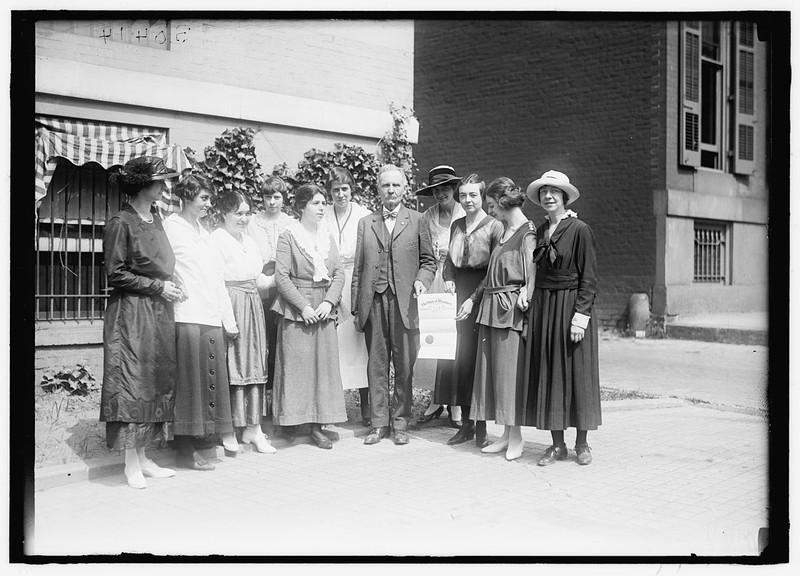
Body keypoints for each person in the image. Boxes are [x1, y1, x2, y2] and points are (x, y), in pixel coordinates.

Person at [99, 155, 183, 489]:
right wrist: (158, 286)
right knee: (132, 382)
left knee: (153, 379)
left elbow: (162, 263)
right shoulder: (121, 222)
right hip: (131, 314)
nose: (164, 187)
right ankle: (129, 463)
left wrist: (174, 283)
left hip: (158, 312)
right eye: (160, 182)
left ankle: (144, 457)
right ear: (142, 186)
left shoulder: (156, 218)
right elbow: (116, 273)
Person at [351, 164, 437, 445]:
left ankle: (400, 423)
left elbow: (428, 261)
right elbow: (359, 268)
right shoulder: (366, 223)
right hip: (374, 302)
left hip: (405, 304)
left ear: (404, 189)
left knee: (404, 365)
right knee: (376, 366)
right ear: (379, 189)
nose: (390, 190)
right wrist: (356, 308)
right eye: (385, 185)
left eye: (395, 185)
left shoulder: (418, 220)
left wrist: (422, 280)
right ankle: (377, 424)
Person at [522, 170, 601, 466]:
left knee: (577, 373)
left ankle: (582, 444)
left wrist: (580, 317)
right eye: (544, 192)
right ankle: (557, 445)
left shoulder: (580, 229)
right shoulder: (541, 231)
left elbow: (589, 279)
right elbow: (537, 275)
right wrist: (532, 315)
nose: (548, 196)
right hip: (545, 307)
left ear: (564, 197)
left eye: (554, 192)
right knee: (550, 372)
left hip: (571, 308)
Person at [163, 174, 239, 472]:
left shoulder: (205, 232)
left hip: (210, 316)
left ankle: (202, 438)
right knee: (188, 383)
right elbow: (160, 266)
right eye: (204, 198)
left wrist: (227, 319)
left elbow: (216, 278)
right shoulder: (171, 228)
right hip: (186, 315)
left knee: (208, 380)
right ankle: (184, 447)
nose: (208, 203)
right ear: (187, 197)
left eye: (209, 198)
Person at [271, 184, 348, 449]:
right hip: (297, 307)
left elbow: (338, 272)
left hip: (324, 307)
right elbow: (281, 276)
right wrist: (303, 306)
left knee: (321, 367)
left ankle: (317, 425)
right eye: (316, 203)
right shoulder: (288, 235)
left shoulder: (326, 235)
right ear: (301, 207)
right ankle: (290, 422)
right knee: (295, 364)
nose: (322, 207)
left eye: (323, 203)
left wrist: (329, 301)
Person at [470, 177, 536, 461]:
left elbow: (532, 274)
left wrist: (527, 291)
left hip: (510, 311)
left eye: (492, 205)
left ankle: (517, 435)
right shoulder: (503, 231)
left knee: (510, 375)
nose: (490, 210)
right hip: (491, 306)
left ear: (502, 201)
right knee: (494, 374)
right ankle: (506, 434)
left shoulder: (527, 232)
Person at [208, 191, 276, 454]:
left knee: (255, 363)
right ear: (224, 213)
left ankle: (253, 428)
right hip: (232, 305)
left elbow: (257, 279)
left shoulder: (249, 241)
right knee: (232, 366)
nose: (244, 218)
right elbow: (216, 282)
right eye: (238, 213)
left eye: (247, 213)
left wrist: (280, 276)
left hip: (253, 306)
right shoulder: (217, 239)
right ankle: (227, 430)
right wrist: (229, 319)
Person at [441, 174, 504, 448]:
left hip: (482, 296)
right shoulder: (456, 225)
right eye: (463, 195)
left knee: (479, 362)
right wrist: (448, 279)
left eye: (473, 196)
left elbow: (494, 269)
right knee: (461, 361)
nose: (467, 200)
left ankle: (481, 428)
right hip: (458, 296)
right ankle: (465, 423)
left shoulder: (495, 227)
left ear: (482, 197)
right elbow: (448, 262)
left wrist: (473, 300)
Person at [415, 165, 466, 429]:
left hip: (455, 282)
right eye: (436, 189)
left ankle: (455, 403)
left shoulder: (465, 214)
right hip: (433, 281)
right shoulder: (426, 217)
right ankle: (437, 399)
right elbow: (424, 254)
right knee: (435, 340)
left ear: (454, 188)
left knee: (455, 342)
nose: (441, 193)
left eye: (446, 187)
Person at [322, 167, 373, 427]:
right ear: (329, 192)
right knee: (333, 346)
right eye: (335, 190)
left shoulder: (364, 215)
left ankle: (366, 406)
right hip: (330, 281)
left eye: (345, 189)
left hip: (357, 280)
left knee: (359, 342)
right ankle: (334, 408)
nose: (340, 195)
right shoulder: (323, 214)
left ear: (352, 190)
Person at [247, 176, 295, 393]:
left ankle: (279, 387)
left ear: (283, 198)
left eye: (277, 197)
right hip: (259, 281)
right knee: (260, 333)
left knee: (280, 333)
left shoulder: (291, 223)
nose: (272, 202)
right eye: (268, 197)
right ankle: (260, 386)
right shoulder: (252, 222)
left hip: (283, 280)